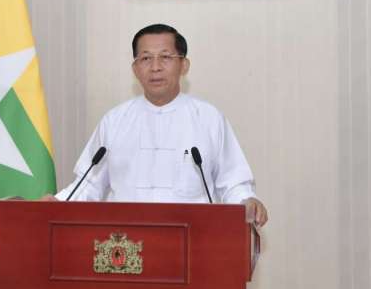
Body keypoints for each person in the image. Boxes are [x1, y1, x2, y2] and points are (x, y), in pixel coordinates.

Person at [44, 23, 268, 227]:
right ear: (135, 69)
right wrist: (57, 202)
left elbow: (233, 182)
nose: (155, 67)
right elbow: (89, 183)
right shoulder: (114, 121)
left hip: (194, 239)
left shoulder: (209, 119)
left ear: (184, 65)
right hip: (125, 242)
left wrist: (247, 201)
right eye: (145, 59)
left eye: (165, 57)